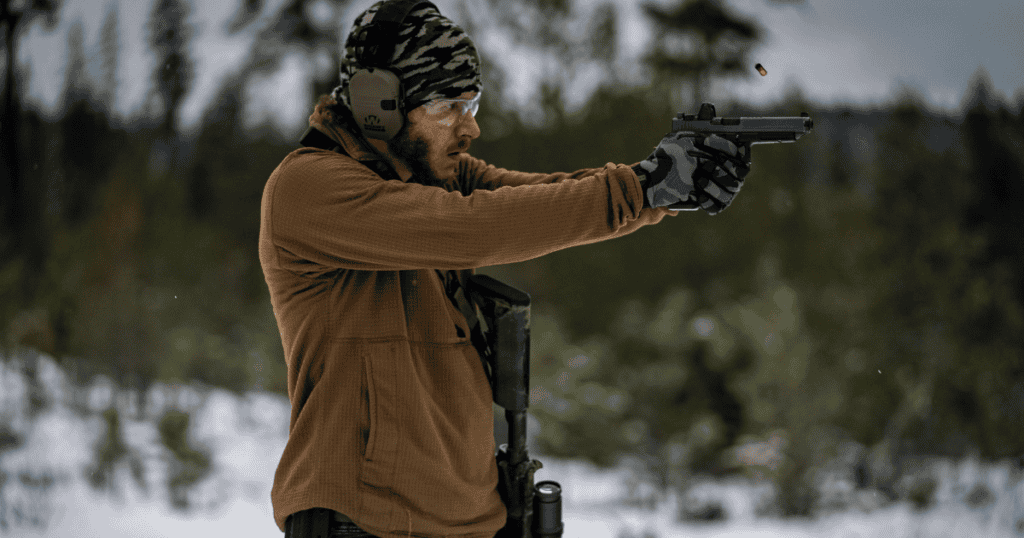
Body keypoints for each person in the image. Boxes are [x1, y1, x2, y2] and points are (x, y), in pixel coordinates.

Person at [258, 1, 751, 537]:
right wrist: (639, 190)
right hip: (362, 522)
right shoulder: (309, 190)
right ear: (380, 105)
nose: (471, 128)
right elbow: (472, 228)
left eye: (473, 104)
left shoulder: (432, 175)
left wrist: (660, 188)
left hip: (471, 521)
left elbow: (543, 198)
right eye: (449, 105)